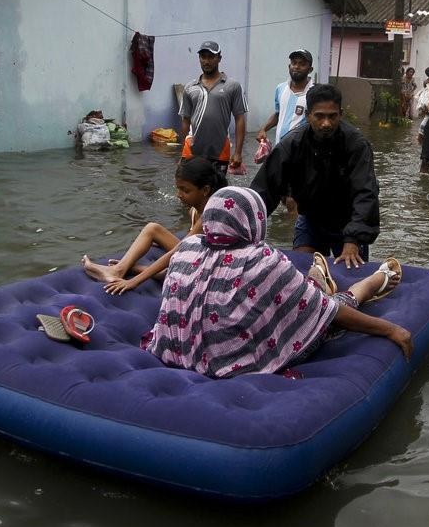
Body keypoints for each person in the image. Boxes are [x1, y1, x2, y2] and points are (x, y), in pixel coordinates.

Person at [140, 186, 412, 379]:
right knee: (330, 306)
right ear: (255, 219)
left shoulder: (187, 248)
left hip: (177, 352)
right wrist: (389, 330)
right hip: (236, 361)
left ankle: (316, 281)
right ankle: (374, 280)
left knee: (301, 297)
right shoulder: (262, 260)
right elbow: (326, 312)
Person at [251, 83, 379, 269]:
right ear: (308, 115)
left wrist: (353, 239)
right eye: (319, 116)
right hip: (311, 219)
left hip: (349, 222)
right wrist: (246, 233)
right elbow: (264, 191)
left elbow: (366, 193)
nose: (326, 123)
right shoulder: (291, 145)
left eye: (332, 116)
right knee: (300, 271)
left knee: (351, 276)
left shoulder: (357, 145)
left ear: (340, 114)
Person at [82, 157, 228, 294]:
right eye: (178, 188)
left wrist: (133, 282)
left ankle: (125, 270)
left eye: (185, 190)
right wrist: (163, 240)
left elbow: (179, 251)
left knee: (169, 265)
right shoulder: (195, 208)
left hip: (210, 266)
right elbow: (192, 243)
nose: (179, 194)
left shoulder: (209, 214)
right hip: (200, 253)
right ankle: (124, 269)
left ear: (205, 190)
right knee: (153, 228)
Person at [179, 40, 247, 175]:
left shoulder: (232, 86)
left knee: (216, 191)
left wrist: (238, 152)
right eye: (203, 57)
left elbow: (239, 118)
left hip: (219, 149)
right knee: (191, 190)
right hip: (192, 150)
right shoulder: (190, 87)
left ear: (219, 58)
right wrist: (182, 150)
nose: (206, 61)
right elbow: (185, 120)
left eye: (211, 57)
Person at [256, 48, 315, 147]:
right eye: (294, 63)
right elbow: (279, 114)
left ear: (310, 70)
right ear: (289, 66)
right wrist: (263, 129)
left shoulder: (315, 92)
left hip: (303, 150)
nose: (297, 67)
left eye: (302, 64)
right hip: (280, 148)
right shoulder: (281, 88)